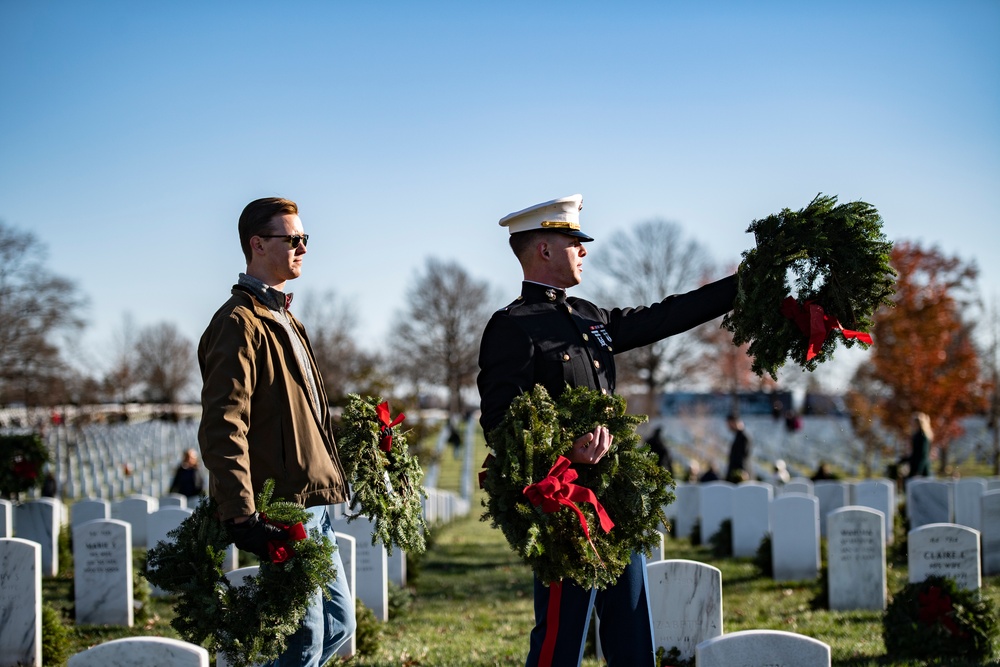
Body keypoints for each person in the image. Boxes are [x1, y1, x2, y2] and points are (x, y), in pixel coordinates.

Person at [477, 194, 737, 667]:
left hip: (615, 500)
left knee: (632, 632)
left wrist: (742, 286)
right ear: (545, 250)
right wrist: (565, 450)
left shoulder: (589, 316)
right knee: (562, 640)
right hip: (565, 506)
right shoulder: (512, 327)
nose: (584, 250)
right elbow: (499, 422)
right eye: (573, 240)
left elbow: (665, 315)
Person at [198, 197, 355, 666]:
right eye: (293, 239)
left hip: (313, 503)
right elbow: (224, 421)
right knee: (301, 639)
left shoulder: (287, 319)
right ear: (258, 244)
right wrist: (242, 513)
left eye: (305, 238)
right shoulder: (238, 323)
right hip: (279, 506)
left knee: (339, 624)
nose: (303, 247)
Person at [725, 413, 752, 483]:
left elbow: (742, 457)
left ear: (734, 422)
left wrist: (740, 474)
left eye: (729, 424)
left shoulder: (743, 437)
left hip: (739, 475)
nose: (728, 427)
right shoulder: (738, 436)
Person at [907, 411, 933, 478]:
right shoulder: (916, 436)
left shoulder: (923, 437)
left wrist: (918, 471)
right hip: (914, 467)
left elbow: (923, 455)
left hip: (920, 470)